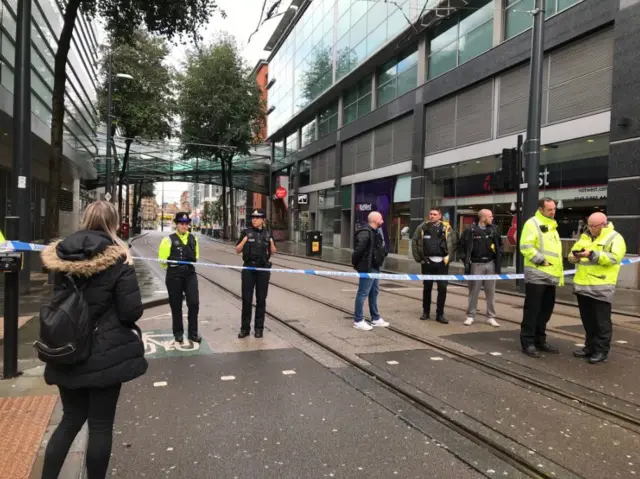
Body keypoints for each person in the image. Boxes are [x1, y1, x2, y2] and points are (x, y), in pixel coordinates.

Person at [39, 200, 147, 479]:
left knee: (71, 419)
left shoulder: (61, 253)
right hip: (105, 353)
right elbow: (130, 311)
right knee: (100, 425)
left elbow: (59, 300)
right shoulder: (119, 256)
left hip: (67, 347)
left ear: (85, 219)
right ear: (113, 222)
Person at [569, 212, 626, 364]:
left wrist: (592, 254)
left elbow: (614, 258)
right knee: (588, 321)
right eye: (589, 225)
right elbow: (572, 252)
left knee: (602, 322)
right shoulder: (585, 236)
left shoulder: (615, 238)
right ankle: (590, 347)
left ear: (603, 224)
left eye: (594, 226)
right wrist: (573, 256)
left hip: (601, 286)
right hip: (583, 286)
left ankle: (601, 351)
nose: (591, 228)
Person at [519, 197, 564, 358]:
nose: (553, 212)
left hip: (551, 274)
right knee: (533, 310)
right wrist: (541, 260)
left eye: (554, 209)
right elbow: (526, 246)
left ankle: (540, 339)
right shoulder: (532, 223)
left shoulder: (552, 226)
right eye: (549, 210)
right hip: (537, 273)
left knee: (545, 310)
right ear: (540, 209)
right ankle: (528, 342)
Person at [158, 212, 202, 343]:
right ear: (176, 224)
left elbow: (197, 257)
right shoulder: (168, 240)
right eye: (181, 223)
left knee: (194, 303)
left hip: (189, 275)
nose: (184, 226)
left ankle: (193, 333)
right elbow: (162, 260)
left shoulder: (193, 239)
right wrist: (174, 267)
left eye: (186, 224)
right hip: (174, 276)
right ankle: (178, 332)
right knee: (176, 305)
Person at [236, 209, 276, 338]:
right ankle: (245, 329)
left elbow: (273, 252)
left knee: (261, 299)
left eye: (257, 218)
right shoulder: (246, 232)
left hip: (263, 270)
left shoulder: (268, 233)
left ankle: (259, 328)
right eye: (253, 217)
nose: (254, 219)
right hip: (249, 269)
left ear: (263, 220)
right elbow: (237, 250)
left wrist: (271, 242)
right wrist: (244, 240)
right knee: (247, 300)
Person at [459, 209, 502, 327]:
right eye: (490, 216)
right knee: (474, 291)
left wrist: (498, 258)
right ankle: (470, 315)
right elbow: (461, 246)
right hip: (476, 264)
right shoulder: (470, 230)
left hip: (490, 264)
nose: (492, 218)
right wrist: (466, 260)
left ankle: (491, 316)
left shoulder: (494, 230)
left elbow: (499, 245)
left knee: (491, 292)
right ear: (483, 218)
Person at [411, 207, 455, 324]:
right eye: (430, 214)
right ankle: (426, 312)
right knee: (427, 288)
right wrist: (419, 259)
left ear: (440, 216)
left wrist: (449, 258)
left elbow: (453, 243)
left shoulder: (447, 228)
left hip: (442, 263)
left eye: (435, 214)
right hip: (428, 262)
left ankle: (440, 314)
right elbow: (415, 242)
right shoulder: (422, 227)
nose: (432, 216)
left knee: (442, 288)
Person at [351, 211, 390, 331]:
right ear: (375, 220)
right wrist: (357, 265)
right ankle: (358, 320)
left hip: (375, 267)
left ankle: (375, 318)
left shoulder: (376, 232)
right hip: (368, 268)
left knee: (374, 292)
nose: (382, 221)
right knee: (363, 293)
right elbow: (358, 251)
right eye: (381, 219)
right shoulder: (366, 232)